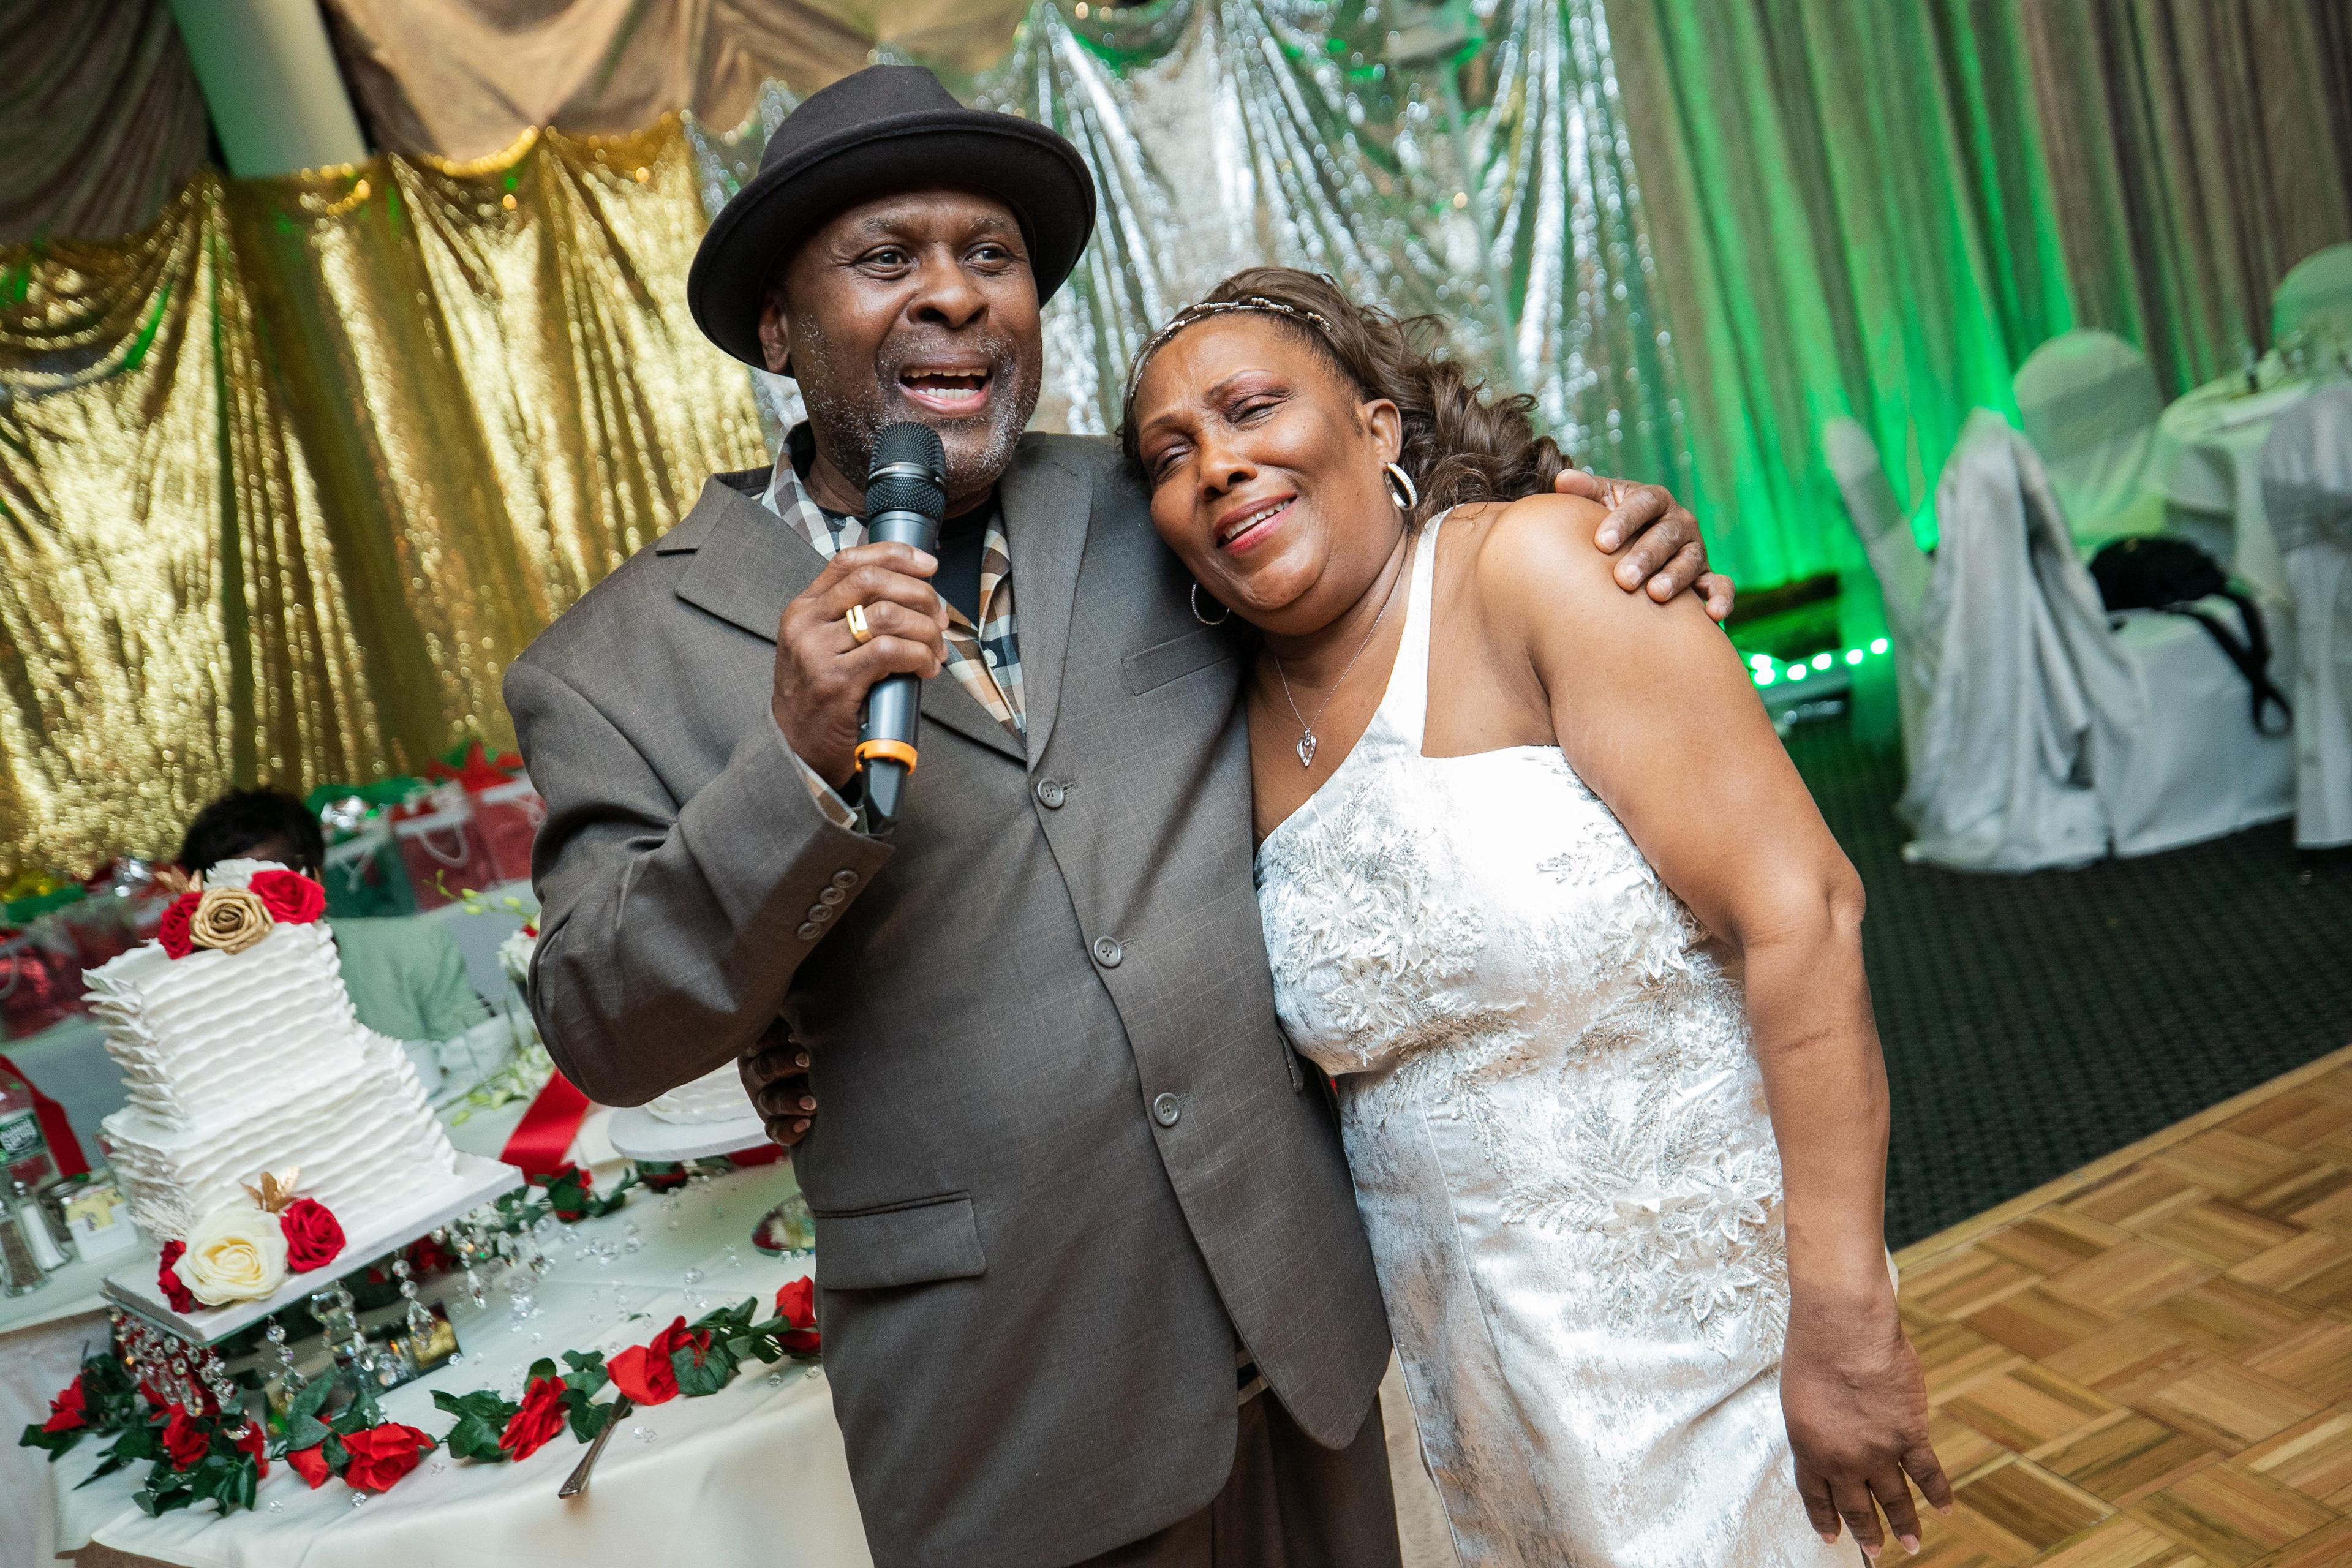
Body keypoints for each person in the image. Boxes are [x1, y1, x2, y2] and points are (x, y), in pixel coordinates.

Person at [513, 66, 1729, 1568]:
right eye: (886, 257)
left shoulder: (1158, 502)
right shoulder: (610, 661)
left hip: (1304, 1338)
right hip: (1013, 1416)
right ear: (776, 325)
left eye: (992, 254)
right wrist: (793, 770)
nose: (953, 294)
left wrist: (1611, 542)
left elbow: (1413, 565)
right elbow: (603, 1025)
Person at [1121, 268, 1948, 1565]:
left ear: (1377, 428)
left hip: (1700, 1354)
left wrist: (1846, 1315)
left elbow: (1805, 915)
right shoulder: (1217, 721)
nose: (1217, 465)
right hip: (1470, 1406)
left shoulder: (1542, 568)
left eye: (1251, 409)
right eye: (1171, 456)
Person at [176, 789, 485, 1043]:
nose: (261, 902)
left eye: (275, 878)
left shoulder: (414, 947)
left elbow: (478, 1062)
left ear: (317, 871)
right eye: (239, 889)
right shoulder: (215, 1007)